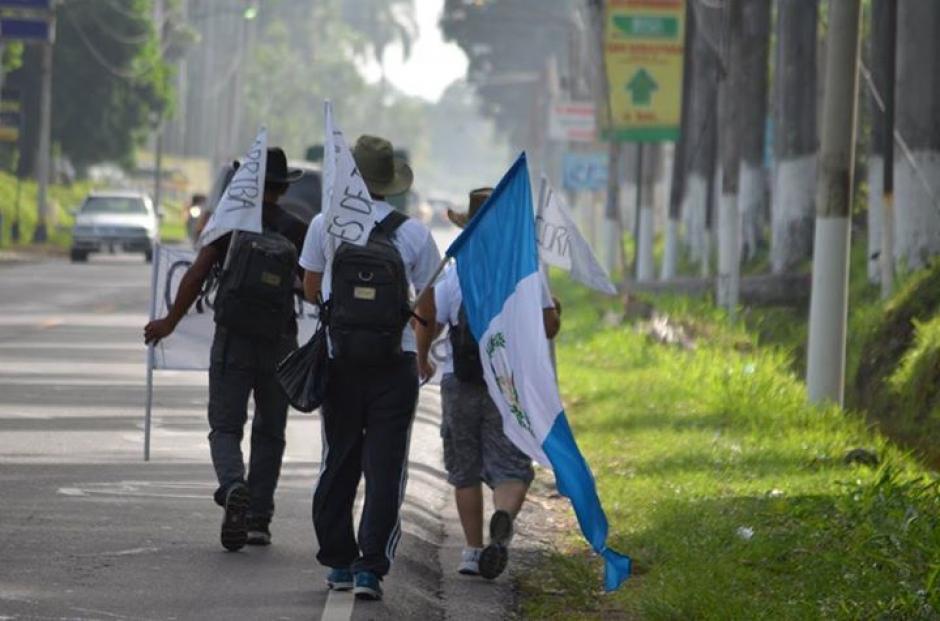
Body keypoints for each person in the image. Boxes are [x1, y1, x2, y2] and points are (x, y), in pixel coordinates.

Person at [300, 135, 441, 601]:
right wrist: (421, 354)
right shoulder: (415, 233)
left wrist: (341, 308)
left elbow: (309, 287)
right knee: (386, 468)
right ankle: (369, 570)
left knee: (337, 461)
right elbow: (429, 306)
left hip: (341, 362)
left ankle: (338, 561)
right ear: (389, 184)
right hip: (393, 365)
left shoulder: (326, 224)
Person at [144, 147, 307, 551]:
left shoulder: (231, 221)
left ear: (248, 183)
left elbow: (198, 273)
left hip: (233, 337)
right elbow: (314, 287)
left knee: (225, 426)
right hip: (279, 342)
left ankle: (234, 485)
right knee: (270, 432)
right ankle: (258, 520)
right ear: (283, 189)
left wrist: (169, 322)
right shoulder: (298, 229)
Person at [437, 187, 561, 579]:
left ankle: (472, 551)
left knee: (465, 469)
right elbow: (547, 327)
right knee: (510, 464)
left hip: (461, 378)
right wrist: (556, 311)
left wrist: (422, 355)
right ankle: (503, 517)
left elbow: (431, 315)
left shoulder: (457, 270)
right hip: (508, 383)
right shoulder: (526, 270)